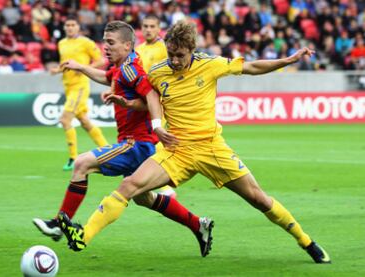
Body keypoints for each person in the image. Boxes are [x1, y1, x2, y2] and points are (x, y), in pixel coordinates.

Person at [59, 21, 331, 264]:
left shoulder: (210, 64)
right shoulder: (157, 72)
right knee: (130, 185)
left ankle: (305, 240)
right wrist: (127, 102)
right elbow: (147, 101)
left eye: (180, 55)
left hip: (212, 148)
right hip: (176, 150)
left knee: (259, 199)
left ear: (192, 50)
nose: (175, 61)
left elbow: (251, 67)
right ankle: (84, 236)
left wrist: (288, 60)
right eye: (171, 54)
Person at [33, 20, 214, 258]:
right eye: (104, 42)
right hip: (141, 144)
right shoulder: (121, 67)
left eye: (111, 43)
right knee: (144, 198)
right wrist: (81, 67)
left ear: (127, 45)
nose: (105, 47)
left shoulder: (131, 68)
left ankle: (59, 223)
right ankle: (197, 224)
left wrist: (135, 109)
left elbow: (151, 94)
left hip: (135, 144)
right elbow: (107, 77)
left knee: (82, 163)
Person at [50, 16, 109, 171]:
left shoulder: (86, 42)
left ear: (78, 27)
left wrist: (82, 68)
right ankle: (108, 150)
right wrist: (57, 70)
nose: (70, 27)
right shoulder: (61, 43)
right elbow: (66, 64)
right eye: (67, 25)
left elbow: (101, 61)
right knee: (84, 121)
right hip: (68, 86)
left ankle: (73, 157)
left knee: (65, 119)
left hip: (80, 86)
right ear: (64, 27)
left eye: (73, 25)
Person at [135, 13, 176, 198]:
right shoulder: (138, 49)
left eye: (152, 26)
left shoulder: (165, 48)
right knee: (145, 142)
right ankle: (145, 180)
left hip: (160, 101)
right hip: (141, 102)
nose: (148, 30)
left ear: (159, 28)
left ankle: (166, 186)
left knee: (157, 140)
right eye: (145, 26)